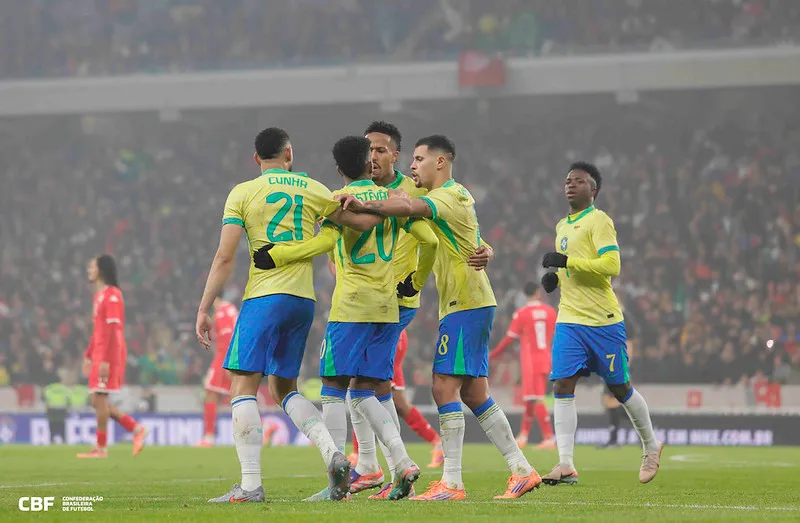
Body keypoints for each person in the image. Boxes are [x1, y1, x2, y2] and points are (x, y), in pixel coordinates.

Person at [337, 135, 541, 500]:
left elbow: (407, 208)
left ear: (440, 163)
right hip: (470, 301)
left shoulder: (444, 196)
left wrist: (362, 201)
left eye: (419, 159)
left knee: (443, 387)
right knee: (476, 394)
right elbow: (469, 238)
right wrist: (486, 248)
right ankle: (521, 469)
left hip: (466, 303)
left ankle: (452, 482)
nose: (413, 166)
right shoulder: (458, 195)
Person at [196, 127, 384, 503]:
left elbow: (225, 257)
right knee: (283, 389)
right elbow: (365, 222)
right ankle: (333, 453)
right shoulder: (315, 189)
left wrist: (204, 307)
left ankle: (250, 485)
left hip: (264, 296)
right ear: (289, 153)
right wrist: (367, 202)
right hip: (302, 301)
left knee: (242, 386)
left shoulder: (243, 193)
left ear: (256, 159)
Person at [254, 135, 437, 501]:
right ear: (370, 164)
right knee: (367, 390)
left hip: (352, 307)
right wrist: (414, 282)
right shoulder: (393, 203)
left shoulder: (341, 203)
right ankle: (402, 462)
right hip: (388, 309)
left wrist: (279, 256)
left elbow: (322, 244)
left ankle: (337, 482)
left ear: (339, 170)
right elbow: (429, 241)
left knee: (333, 389)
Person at [539, 161, 663, 485]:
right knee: (562, 385)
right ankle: (565, 463)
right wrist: (557, 279)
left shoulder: (600, 221)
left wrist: (567, 262)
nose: (570, 185)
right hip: (570, 319)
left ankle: (651, 446)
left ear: (592, 190)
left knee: (620, 388)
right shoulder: (561, 226)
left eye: (579, 181)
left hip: (603, 320)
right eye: (568, 180)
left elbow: (612, 264)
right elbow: (573, 271)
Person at [77, 254, 147, 459]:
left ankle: (101, 448)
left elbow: (114, 328)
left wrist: (106, 359)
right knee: (96, 400)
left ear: (101, 270)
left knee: (100, 398)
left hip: (110, 353)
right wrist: (88, 355)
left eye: (92, 266)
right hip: (99, 353)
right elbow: (98, 330)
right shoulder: (99, 296)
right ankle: (135, 428)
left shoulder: (112, 295)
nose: (89, 270)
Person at [489, 282, 556, 450]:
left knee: (537, 397)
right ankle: (524, 435)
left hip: (531, 361)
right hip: (546, 358)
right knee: (530, 398)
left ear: (525, 295)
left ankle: (549, 438)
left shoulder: (522, 314)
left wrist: (493, 354)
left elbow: (510, 339)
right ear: (538, 293)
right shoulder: (550, 312)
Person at [195, 295, 238, 447]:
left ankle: (209, 437)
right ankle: (263, 428)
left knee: (211, 394)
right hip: (229, 356)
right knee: (238, 395)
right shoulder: (230, 309)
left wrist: (230, 363)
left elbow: (228, 337)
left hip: (225, 358)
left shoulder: (222, 312)